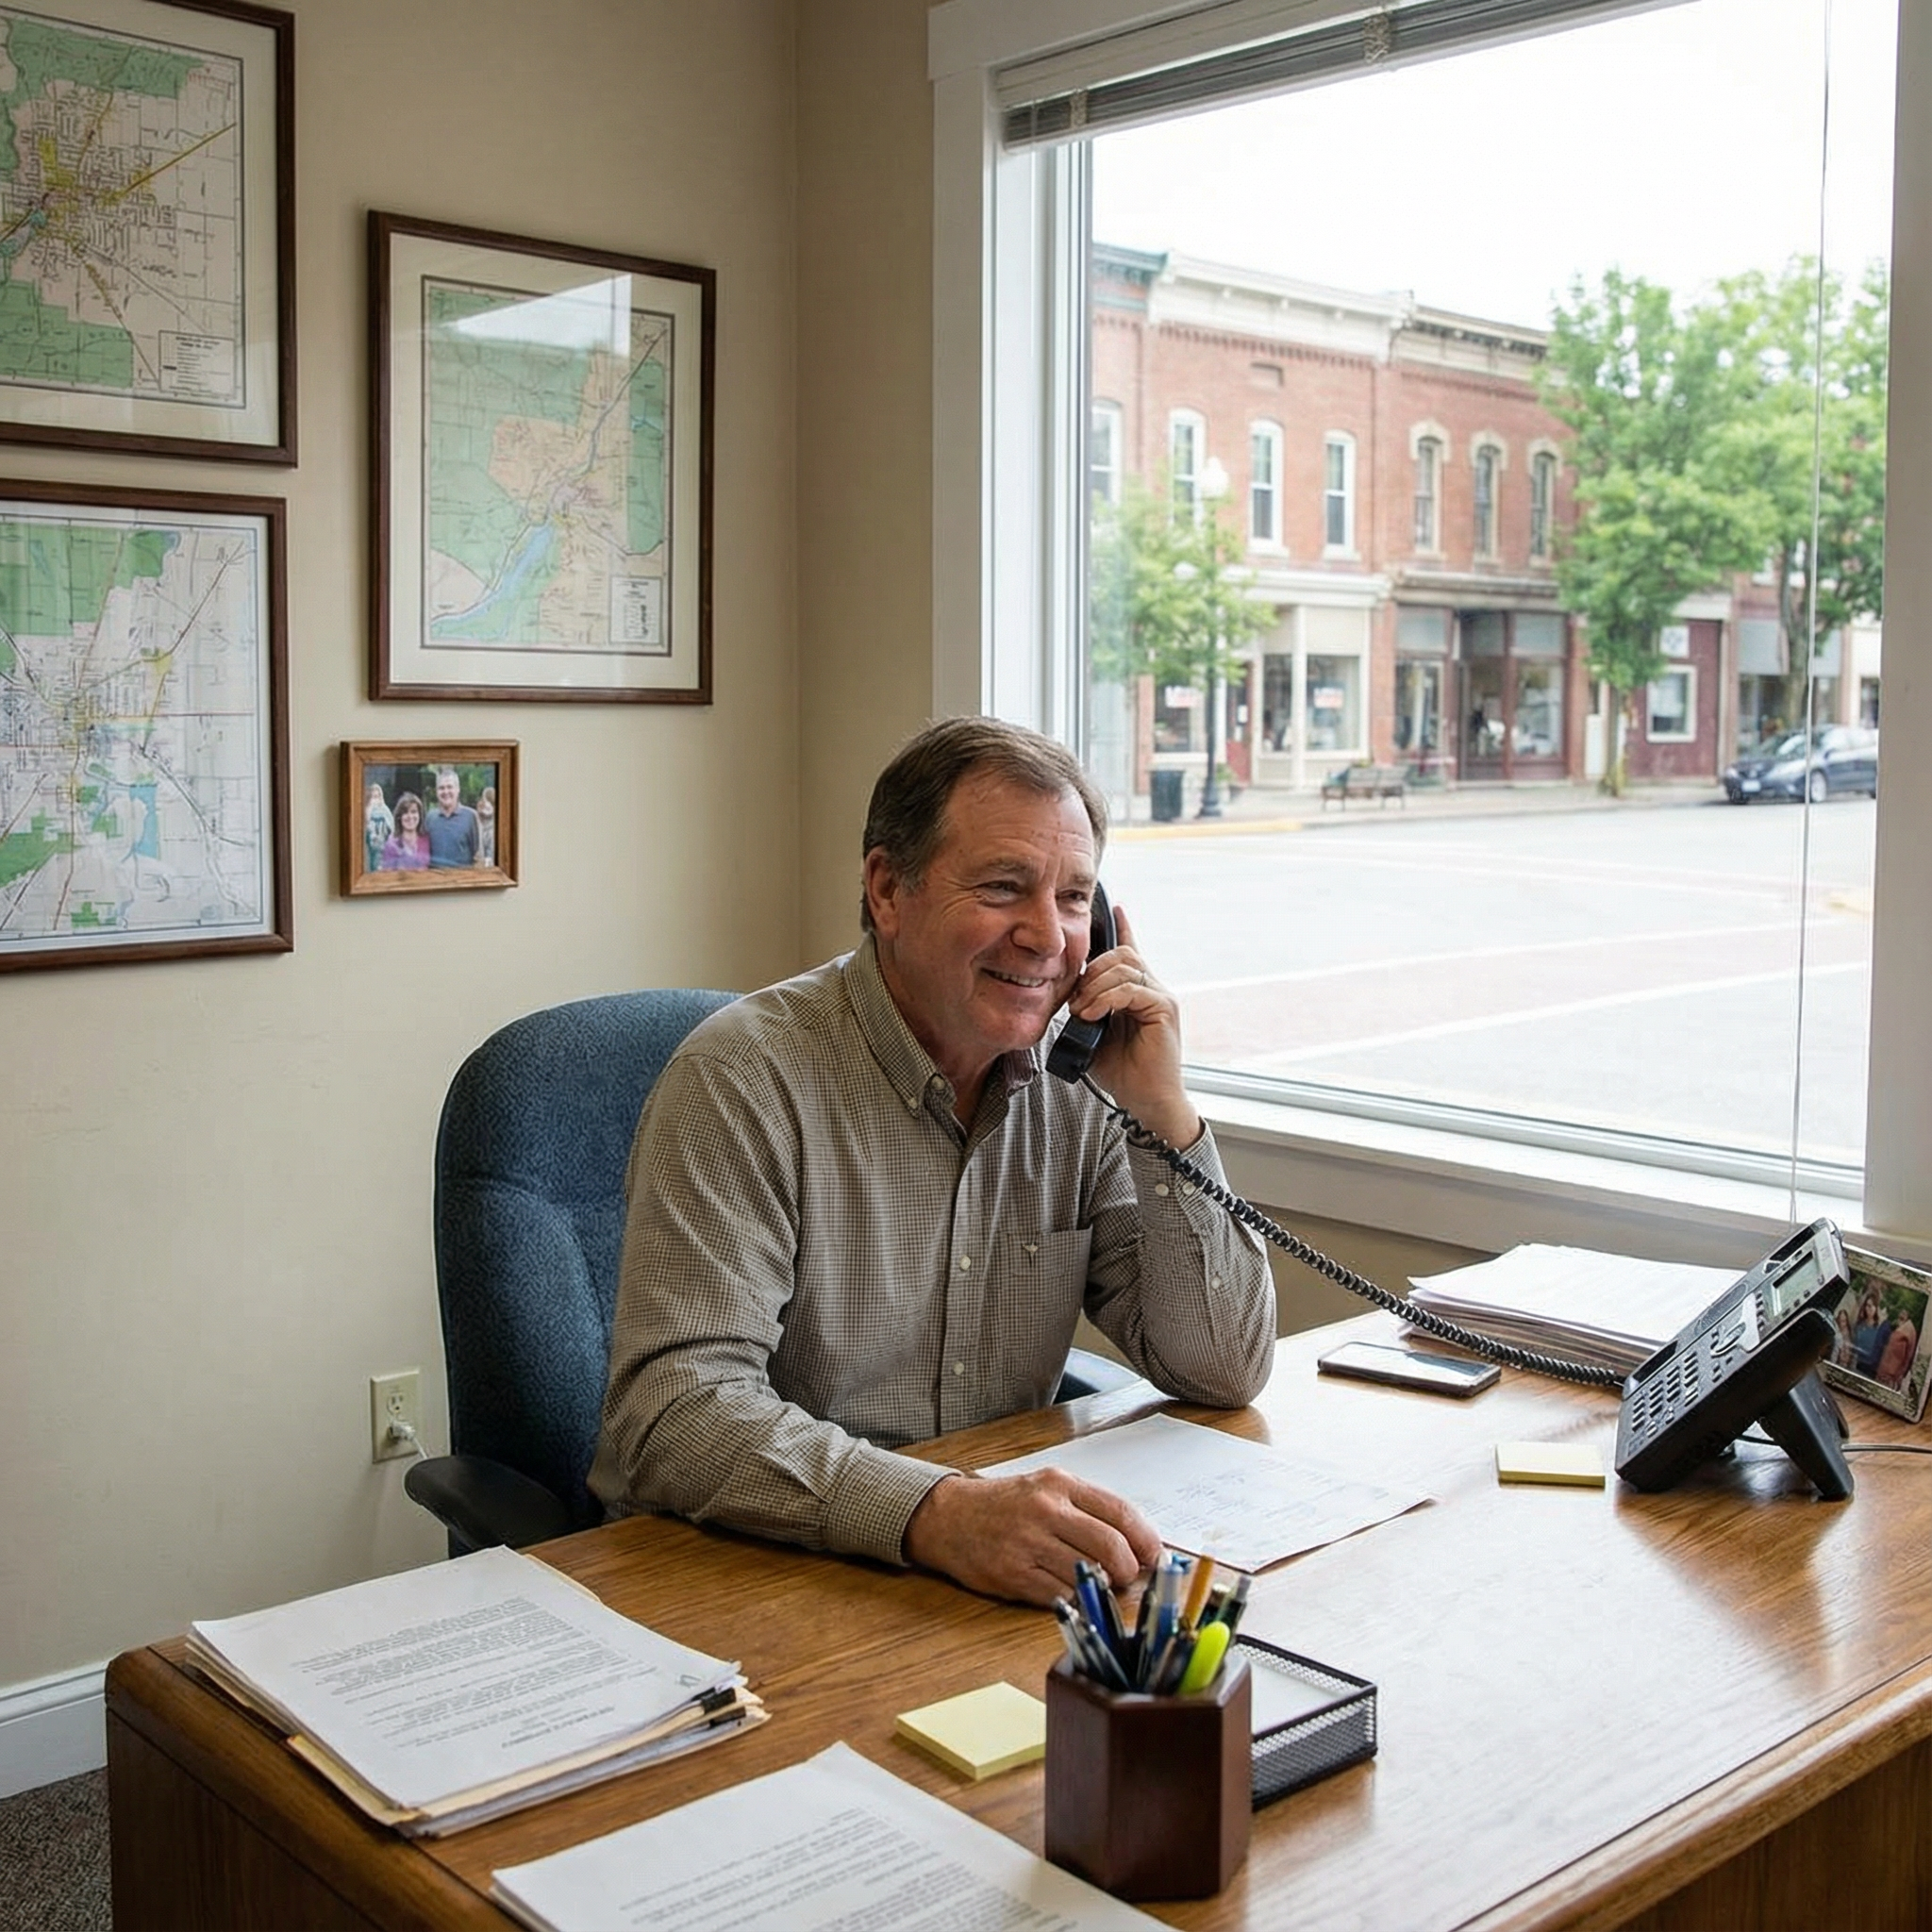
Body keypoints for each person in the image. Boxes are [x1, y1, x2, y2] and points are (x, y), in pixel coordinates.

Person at [590, 717, 1274, 1606]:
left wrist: (1165, 1114)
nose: (1048, 937)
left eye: (1074, 898)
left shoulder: (1083, 1088)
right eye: (1003, 887)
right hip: (748, 1575)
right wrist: (936, 1513)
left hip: (981, 1578)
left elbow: (1222, 1368)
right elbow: (675, 1415)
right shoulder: (742, 1079)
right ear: (886, 889)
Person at [425, 767, 480, 868]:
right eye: (441, 788)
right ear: (436, 792)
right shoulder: (430, 818)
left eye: (450, 787)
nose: (446, 792)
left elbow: (478, 855)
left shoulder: (471, 816)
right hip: (436, 880)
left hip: (461, 880)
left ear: (458, 790)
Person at [379, 792, 430, 870]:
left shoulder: (426, 840)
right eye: (405, 812)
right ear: (399, 817)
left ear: (420, 815)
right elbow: (387, 876)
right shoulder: (391, 845)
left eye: (414, 812)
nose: (410, 816)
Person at [363, 781, 394, 874]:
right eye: (373, 796)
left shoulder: (385, 811)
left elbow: (392, 830)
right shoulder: (365, 811)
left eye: (377, 796)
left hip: (383, 849)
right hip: (369, 849)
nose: (375, 800)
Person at [476, 785, 496, 865]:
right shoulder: (477, 821)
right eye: (483, 800)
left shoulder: (494, 830)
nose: (485, 804)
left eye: (489, 802)